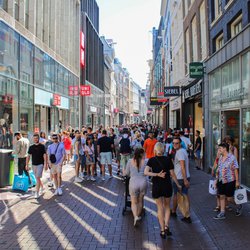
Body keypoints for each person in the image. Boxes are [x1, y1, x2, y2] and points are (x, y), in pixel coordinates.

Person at [144, 142, 181, 238]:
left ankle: (162, 230)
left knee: (160, 208)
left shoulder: (151, 160)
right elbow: (172, 174)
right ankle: (166, 226)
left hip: (157, 186)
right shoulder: (168, 159)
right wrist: (177, 184)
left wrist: (156, 174)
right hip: (167, 185)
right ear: (163, 149)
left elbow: (145, 172)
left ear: (155, 150)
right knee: (167, 206)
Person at [213, 143, 242, 219]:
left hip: (230, 180)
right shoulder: (220, 157)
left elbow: (236, 169)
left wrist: (237, 181)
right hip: (221, 180)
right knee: (221, 196)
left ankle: (238, 205)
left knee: (229, 198)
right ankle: (222, 213)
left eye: (220, 149)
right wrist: (216, 180)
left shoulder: (232, 158)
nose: (219, 150)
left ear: (224, 149)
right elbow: (218, 170)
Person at [124, 148, 147, 226]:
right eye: (144, 153)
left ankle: (135, 216)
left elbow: (126, 173)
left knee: (134, 202)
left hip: (133, 182)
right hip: (143, 182)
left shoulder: (130, 161)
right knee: (140, 201)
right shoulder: (145, 161)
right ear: (141, 154)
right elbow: (148, 172)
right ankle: (138, 215)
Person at [171, 137, 192, 224]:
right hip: (184, 177)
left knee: (177, 196)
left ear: (180, 144)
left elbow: (182, 166)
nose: (174, 144)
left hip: (180, 178)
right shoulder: (183, 151)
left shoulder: (179, 153)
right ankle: (186, 215)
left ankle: (176, 212)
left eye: (177, 143)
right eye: (173, 143)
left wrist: (185, 180)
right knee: (185, 195)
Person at [26, 133, 47, 199]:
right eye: (34, 138)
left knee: (37, 177)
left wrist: (46, 164)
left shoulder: (42, 146)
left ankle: (37, 192)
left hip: (40, 164)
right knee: (37, 178)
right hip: (33, 164)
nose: (35, 139)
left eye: (36, 138)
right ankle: (42, 187)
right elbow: (28, 156)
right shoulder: (31, 147)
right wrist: (27, 164)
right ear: (33, 139)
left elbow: (45, 155)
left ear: (38, 138)